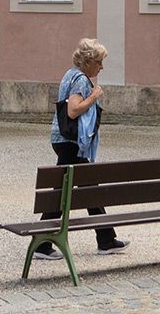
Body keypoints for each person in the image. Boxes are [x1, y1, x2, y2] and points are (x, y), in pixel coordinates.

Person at [33, 37, 127, 259]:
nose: (102, 67)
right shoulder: (81, 80)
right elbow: (73, 111)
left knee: (80, 189)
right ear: (89, 61)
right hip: (71, 143)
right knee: (68, 192)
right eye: (100, 62)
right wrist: (94, 96)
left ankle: (106, 239)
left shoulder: (69, 74)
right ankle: (42, 244)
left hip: (63, 139)